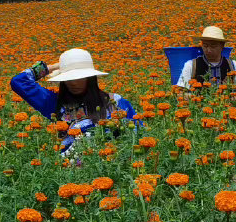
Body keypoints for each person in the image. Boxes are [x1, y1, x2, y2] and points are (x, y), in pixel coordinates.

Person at [10, 48, 140, 159]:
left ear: (90, 78)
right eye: (68, 78)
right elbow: (19, 81)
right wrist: (54, 67)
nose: (73, 83)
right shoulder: (55, 104)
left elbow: (137, 134)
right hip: (69, 174)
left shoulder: (114, 103)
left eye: (79, 77)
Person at [176, 25, 236, 89]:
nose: (208, 50)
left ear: (222, 46)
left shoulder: (232, 65)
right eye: (205, 46)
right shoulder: (191, 65)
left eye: (213, 46)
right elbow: (181, 91)